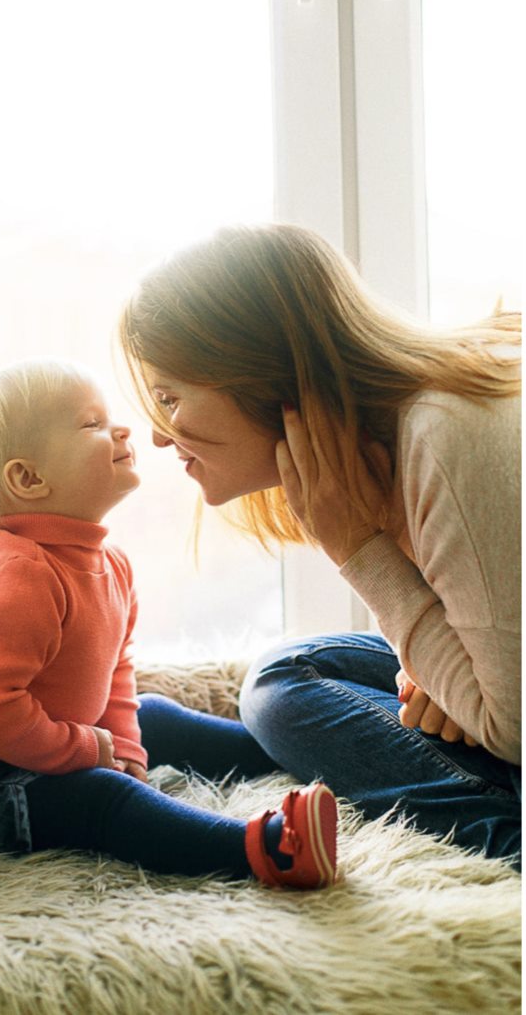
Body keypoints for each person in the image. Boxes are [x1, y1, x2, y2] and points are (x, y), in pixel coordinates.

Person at [118, 222, 521, 868]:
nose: (162, 436)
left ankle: (507, 840)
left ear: (257, 372)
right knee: (291, 672)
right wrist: (439, 673)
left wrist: (359, 549)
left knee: (285, 690)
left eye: (170, 397)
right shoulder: (402, 437)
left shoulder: (445, 434)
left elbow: (513, 728)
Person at [0, 357, 338, 890]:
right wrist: (84, 752)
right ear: (29, 479)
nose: (122, 428)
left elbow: (114, 672)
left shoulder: (111, 565)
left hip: (29, 738)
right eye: (92, 424)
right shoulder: (22, 578)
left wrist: (123, 747)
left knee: (154, 714)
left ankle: (301, 753)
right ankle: (266, 848)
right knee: (102, 799)